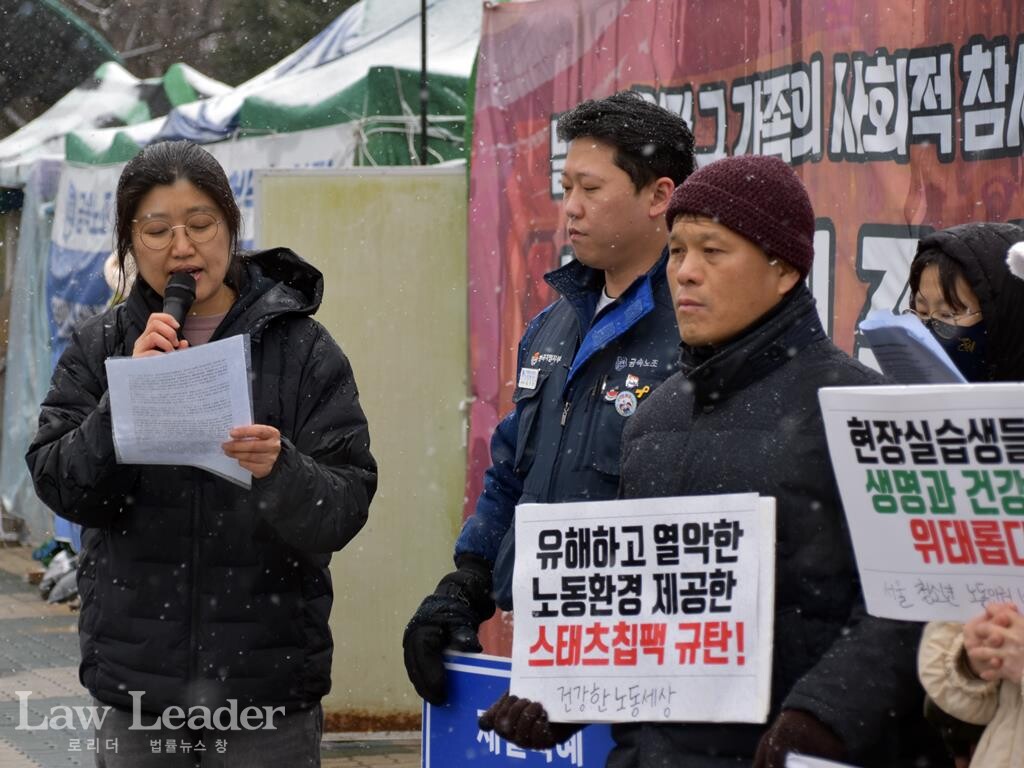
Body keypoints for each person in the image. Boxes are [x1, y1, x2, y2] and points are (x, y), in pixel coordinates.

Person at [480, 155, 948, 766]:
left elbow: (911, 603)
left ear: (783, 269)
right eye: (676, 252)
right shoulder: (654, 417)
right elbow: (636, 601)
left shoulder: (859, 411)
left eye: (713, 251)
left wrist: (819, 719)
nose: (686, 273)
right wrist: (564, 690)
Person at [26, 140, 377, 767]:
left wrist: (282, 469)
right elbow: (63, 485)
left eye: (201, 224)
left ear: (232, 225)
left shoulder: (300, 347)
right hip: (138, 684)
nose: (181, 247)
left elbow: (346, 502)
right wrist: (121, 402)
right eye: (157, 230)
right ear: (130, 242)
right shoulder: (100, 345)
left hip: (265, 687)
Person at [402, 91, 696, 707]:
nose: (571, 210)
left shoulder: (700, 329)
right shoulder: (553, 326)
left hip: (655, 655)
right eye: (567, 188)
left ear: (660, 196)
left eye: (591, 188)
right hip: (548, 643)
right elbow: (513, 470)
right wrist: (467, 582)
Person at [910, 222, 1024, 768]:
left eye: (954, 313)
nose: (935, 331)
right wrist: (975, 659)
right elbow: (946, 674)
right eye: (922, 312)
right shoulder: (964, 447)